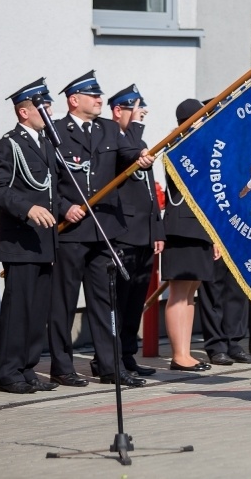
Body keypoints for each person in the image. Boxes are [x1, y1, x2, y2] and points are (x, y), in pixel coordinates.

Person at [48, 70, 154, 388]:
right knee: (64, 302)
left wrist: (139, 157)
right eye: (92, 95)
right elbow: (48, 182)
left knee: (104, 302)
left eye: (99, 95)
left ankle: (110, 366)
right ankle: (62, 366)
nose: (99, 99)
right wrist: (63, 207)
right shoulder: (56, 132)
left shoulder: (108, 128)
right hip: (71, 230)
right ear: (73, 100)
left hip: (104, 229)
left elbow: (127, 156)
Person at [0, 78, 61, 394]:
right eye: (43, 107)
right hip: (20, 241)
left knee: (37, 310)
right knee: (18, 310)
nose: (49, 112)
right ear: (23, 112)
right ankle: (9, 373)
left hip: (44, 241)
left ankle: (27, 368)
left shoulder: (45, 143)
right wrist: (27, 207)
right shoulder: (9, 144)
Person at [110, 85, 164, 376]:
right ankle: (111, 358)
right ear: (119, 111)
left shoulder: (135, 142)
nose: (142, 115)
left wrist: (157, 230)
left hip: (144, 233)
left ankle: (127, 354)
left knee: (135, 302)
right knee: (119, 300)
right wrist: (136, 127)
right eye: (136, 109)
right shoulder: (114, 138)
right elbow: (127, 155)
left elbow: (149, 191)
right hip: (123, 232)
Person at [161, 98, 217, 371]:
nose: (205, 121)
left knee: (191, 290)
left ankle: (185, 353)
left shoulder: (202, 148)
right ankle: (178, 354)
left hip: (201, 228)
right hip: (182, 227)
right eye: (201, 117)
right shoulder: (177, 147)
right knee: (180, 290)